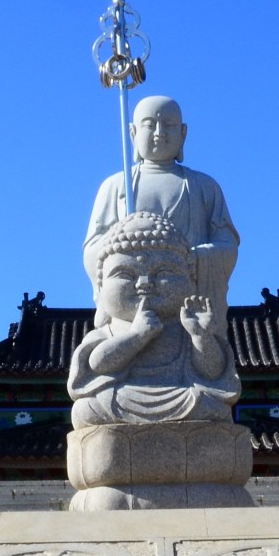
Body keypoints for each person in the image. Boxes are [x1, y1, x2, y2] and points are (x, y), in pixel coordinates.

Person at [69, 211, 239, 427]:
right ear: (100, 285)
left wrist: (201, 335)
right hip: (122, 398)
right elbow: (98, 364)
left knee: (212, 406)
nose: (144, 283)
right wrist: (137, 336)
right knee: (88, 409)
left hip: (182, 396)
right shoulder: (108, 331)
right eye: (125, 274)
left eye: (164, 272)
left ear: (191, 279)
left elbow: (212, 371)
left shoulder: (186, 327)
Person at [83, 96, 238, 316]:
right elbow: (93, 249)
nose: (159, 132)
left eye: (169, 125)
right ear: (133, 133)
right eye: (149, 125)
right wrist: (124, 255)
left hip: (187, 303)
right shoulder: (115, 186)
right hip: (132, 300)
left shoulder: (205, 187)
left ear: (183, 133)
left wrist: (192, 258)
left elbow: (227, 246)